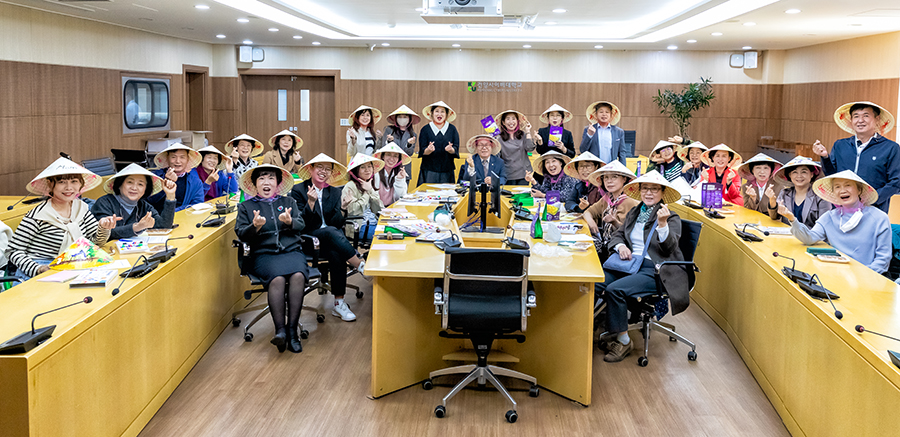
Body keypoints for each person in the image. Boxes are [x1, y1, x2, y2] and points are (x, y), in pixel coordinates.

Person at [596, 171, 685, 362]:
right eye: (645, 188)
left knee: (615, 290)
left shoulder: (671, 217)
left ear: (662, 193)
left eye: (654, 189)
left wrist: (662, 224)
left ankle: (624, 340)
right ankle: (585, 329)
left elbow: (669, 248)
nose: (649, 193)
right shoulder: (636, 212)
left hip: (656, 270)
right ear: (640, 191)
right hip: (628, 264)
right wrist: (620, 247)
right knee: (594, 281)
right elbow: (618, 234)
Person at [235, 164, 308, 353]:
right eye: (261, 179)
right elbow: (242, 233)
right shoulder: (246, 207)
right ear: (254, 184)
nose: (266, 182)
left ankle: (293, 333)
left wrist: (290, 222)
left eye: (271, 179)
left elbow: (301, 224)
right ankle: (281, 332)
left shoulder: (289, 202)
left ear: (277, 183)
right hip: (264, 255)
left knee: (298, 276)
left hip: (292, 252)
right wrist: (255, 227)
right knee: (277, 279)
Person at [7, 158, 117, 281]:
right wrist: (38, 268)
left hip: (73, 266)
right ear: (49, 184)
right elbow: (13, 250)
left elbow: (95, 244)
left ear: (80, 184)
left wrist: (104, 228)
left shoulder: (81, 208)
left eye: (74, 181)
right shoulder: (38, 215)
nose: (69, 187)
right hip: (39, 272)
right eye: (61, 182)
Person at [291, 154, 368, 322]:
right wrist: (310, 204)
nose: (323, 172)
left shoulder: (333, 192)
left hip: (331, 240)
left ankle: (339, 303)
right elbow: (301, 225)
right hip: (309, 240)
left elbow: (336, 222)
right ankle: (359, 264)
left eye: (328, 169)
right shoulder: (298, 191)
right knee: (330, 232)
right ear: (310, 168)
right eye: (320, 167)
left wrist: (342, 208)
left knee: (336, 251)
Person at [782, 170, 891, 275]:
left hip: (867, 277)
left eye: (848, 185)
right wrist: (792, 219)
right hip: (834, 274)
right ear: (834, 193)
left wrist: (863, 277)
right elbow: (809, 238)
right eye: (837, 187)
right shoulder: (829, 217)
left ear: (859, 190)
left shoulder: (879, 218)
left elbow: (882, 260)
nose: (842, 190)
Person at [812, 101, 900, 213]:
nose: (860, 120)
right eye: (856, 116)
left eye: (866, 116)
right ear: (851, 120)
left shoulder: (891, 148)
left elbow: (896, 182)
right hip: (842, 209)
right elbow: (832, 176)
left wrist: (872, 199)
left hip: (874, 211)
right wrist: (824, 157)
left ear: (877, 119)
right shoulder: (840, 145)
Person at [91, 163, 177, 241]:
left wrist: (170, 195)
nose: (134, 188)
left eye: (140, 184)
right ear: (119, 184)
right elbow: (107, 233)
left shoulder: (144, 206)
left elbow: (164, 226)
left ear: (146, 189)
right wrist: (137, 227)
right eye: (129, 182)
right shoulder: (104, 203)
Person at [583, 161, 639, 260]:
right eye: (606, 177)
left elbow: (631, 233)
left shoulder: (630, 202)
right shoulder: (607, 198)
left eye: (614, 177)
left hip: (621, 250)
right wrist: (591, 222)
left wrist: (614, 222)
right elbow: (588, 212)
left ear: (624, 179)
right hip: (605, 245)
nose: (609, 181)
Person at [768, 156, 832, 227]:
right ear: (789, 175)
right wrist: (772, 201)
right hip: (787, 235)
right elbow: (774, 217)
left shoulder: (821, 196)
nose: (799, 176)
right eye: (794, 172)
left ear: (811, 174)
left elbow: (824, 225)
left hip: (812, 236)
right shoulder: (784, 193)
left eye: (803, 172)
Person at [148, 143, 205, 212]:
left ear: (187, 159)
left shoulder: (195, 181)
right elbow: (149, 201)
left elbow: (197, 204)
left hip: (184, 217)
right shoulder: (155, 177)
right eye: (173, 157)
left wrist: (173, 212)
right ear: (167, 158)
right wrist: (165, 182)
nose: (178, 161)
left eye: (182, 157)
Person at [342, 153, 385, 242]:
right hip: (359, 227)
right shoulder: (350, 186)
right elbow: (352, 210)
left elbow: (380, 209)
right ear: (355, 170)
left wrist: (370, 190)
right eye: (362, 167)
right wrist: (366, 193)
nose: (367, 170)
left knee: (397, 232)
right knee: (387, 236)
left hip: (374, 223)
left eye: (369, 166)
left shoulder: (369, 184)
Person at [417, 101, 460, 185]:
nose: (439, 114)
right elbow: (422, 151)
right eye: (437, 111)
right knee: (428, 195)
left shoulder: (452, 129)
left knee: (446, 196)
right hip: (429, 170)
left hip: (447, 170)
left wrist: (451, 150)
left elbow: (456, 149)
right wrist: (428, 150)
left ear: (447, 115)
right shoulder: (425, 129)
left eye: (442, 111)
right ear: (432, 113)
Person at [495, 109, 536, 185]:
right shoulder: (499, 138)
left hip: (524, 173)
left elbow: (530, 148)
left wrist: (528, 132)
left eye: (513, 119)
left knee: (522, 195)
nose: (511, 122)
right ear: (503, 122)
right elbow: (496, 156)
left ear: (517, 121)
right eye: (508, 119)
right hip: (508, 174)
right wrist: (491, 140)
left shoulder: (523, 134)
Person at [379, 105, 419, 181]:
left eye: (405, 117)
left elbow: (409, 153)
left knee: (403, 191)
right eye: (400, 117)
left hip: (404, 168)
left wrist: (409, 144)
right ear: (396, 119)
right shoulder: (389, 130)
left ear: (409, 119)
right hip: (390, 168)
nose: (402, 119)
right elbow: (383, 148)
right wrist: (390, 142)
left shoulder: (413, 135)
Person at [373, 142, 411, 207]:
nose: (392, 159)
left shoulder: (399, 173)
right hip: (378, 211)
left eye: (395, 156)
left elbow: (401, 197)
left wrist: (399, 180)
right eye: (388, 154)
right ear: (383, 156)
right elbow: (373, 199)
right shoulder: (375, 173)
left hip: (392, 210)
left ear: (398, 159)